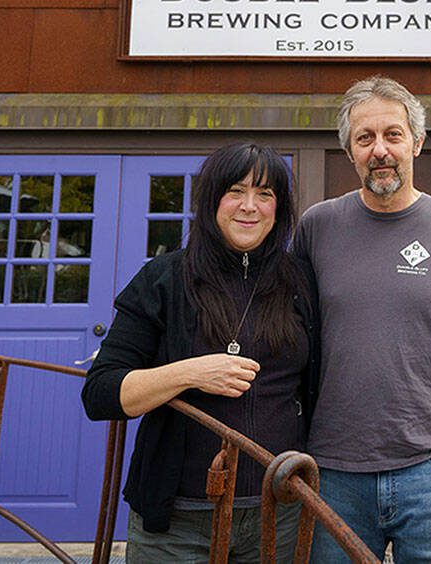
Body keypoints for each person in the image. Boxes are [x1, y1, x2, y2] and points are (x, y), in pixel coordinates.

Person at [295, 76, 431, 563]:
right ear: (349, 151)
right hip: (332, 474)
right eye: (364, 138)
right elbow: (290, 332)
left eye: (393, 135)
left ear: (416, 142)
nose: (380, 150)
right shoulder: (316, 227)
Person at [81, 142, 319, 563]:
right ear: (212, 200)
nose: (249, 206)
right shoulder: (164, 279)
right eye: (236, 191)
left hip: (277, 513)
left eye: (265, 194)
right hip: (179, 521)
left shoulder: (300, 281)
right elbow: (101, 393)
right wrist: (189, 373)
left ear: (279, 209)